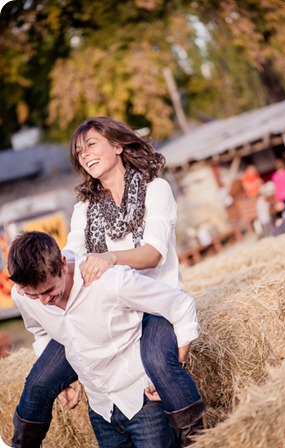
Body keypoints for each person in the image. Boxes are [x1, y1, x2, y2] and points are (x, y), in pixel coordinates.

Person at [11, 117, 206, 448]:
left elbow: (154, 253)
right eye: (78, 151)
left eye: (91, 144)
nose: (84, 154)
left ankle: (199, 440)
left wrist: (110, 258)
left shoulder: (155, 189)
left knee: (159, 362)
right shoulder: (86, 206)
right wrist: (45, 264)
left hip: (153, 305)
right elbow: (72, 250)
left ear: (118, 145)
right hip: (107, 309)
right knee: (40, 383)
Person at [8, 231, 204, 448]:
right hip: (100, 411)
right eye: (33, 295)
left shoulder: (110, 283)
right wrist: (59, 384)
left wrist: (177, 364)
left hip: (141, 402)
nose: (43, 302)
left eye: (50, 292)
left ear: (63, 265)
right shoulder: (21, 295)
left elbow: (181, 305)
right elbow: (41, 331)